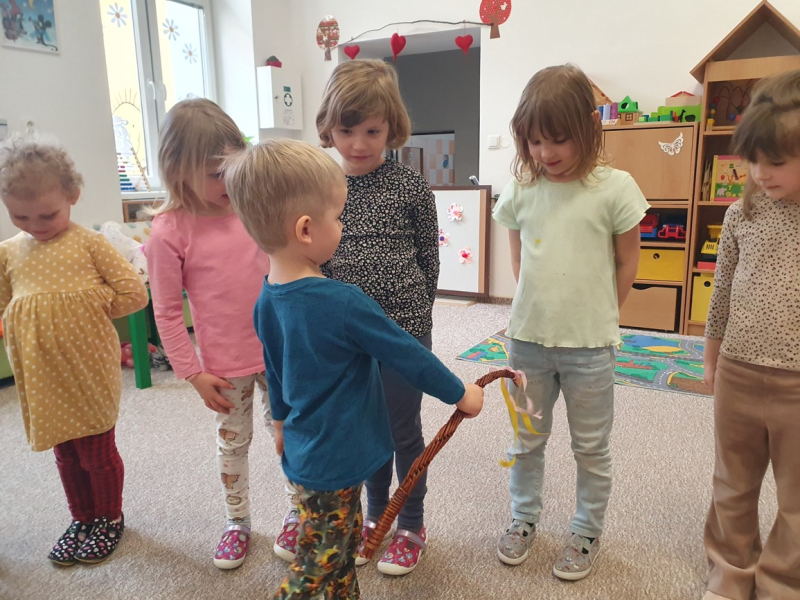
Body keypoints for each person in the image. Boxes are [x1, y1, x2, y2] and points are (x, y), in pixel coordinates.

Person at [223, 138, 484, 599]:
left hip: (303, 452)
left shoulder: (267, 296)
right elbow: (407, 353)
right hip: (338, 461)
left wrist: (279, 420)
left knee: (338, 553)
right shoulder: (343, 301)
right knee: (318, 565)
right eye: (338, 218)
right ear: (306, 230)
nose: (343, 227)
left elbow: (274, 369)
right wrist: (460, 393)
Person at [492, 64, 648, 580]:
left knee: (591, 447)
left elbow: (627, 262)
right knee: (526, 440)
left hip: (589, 349)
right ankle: (523, 518)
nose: (545, 153)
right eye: (535, 141)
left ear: (590, 126)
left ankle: (585, 530)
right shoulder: (521, 189)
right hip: (528, 344)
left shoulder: (615, 188)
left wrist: (602, 315)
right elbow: (520, 262)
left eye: (558, 139)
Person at [145, 99, 296, 570]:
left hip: (278, 353)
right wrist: (191, 373)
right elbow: (167, 312)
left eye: (233, 169)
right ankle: (238, 522)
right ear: (178, 171)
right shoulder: (167, 232)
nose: (229, 182)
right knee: (233, 444)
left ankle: (298, 512)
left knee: (290, 434)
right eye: (216, 174)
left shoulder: (253, 209)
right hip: (223, 367)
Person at [315, 58, 441, 575]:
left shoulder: (410, 187)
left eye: (372, 131)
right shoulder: (320, 187)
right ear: (329, 128)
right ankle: (375, 515)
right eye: (347, 131)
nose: (359, 143)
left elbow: (428, 260)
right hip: (346, 338)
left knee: (402, 431)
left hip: (401, 333)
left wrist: (416, 325)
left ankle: (410, 523)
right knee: (364, 432)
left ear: (392, 128)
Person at [0, 135, 149, 565]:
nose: (36, 224)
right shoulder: (8, 253)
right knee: (65, 454)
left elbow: (134, 293)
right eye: (20, 216)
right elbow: (6, 303)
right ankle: (81, 517)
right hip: (42, 377)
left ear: (73, 196)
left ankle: (109, 518)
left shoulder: (90, 243)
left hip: (88, 371)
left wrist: (86, 308)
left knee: (96, 454)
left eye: (48, 214)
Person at [702, 69, 800, 600]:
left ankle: (783, 581)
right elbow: (720, 295)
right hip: (738, 370)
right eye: (753, 160)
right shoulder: (742, 214)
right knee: (732, 483)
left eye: (776, 161)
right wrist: (711, 359)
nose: (761, 173)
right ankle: (731, 571)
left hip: (797, 385)